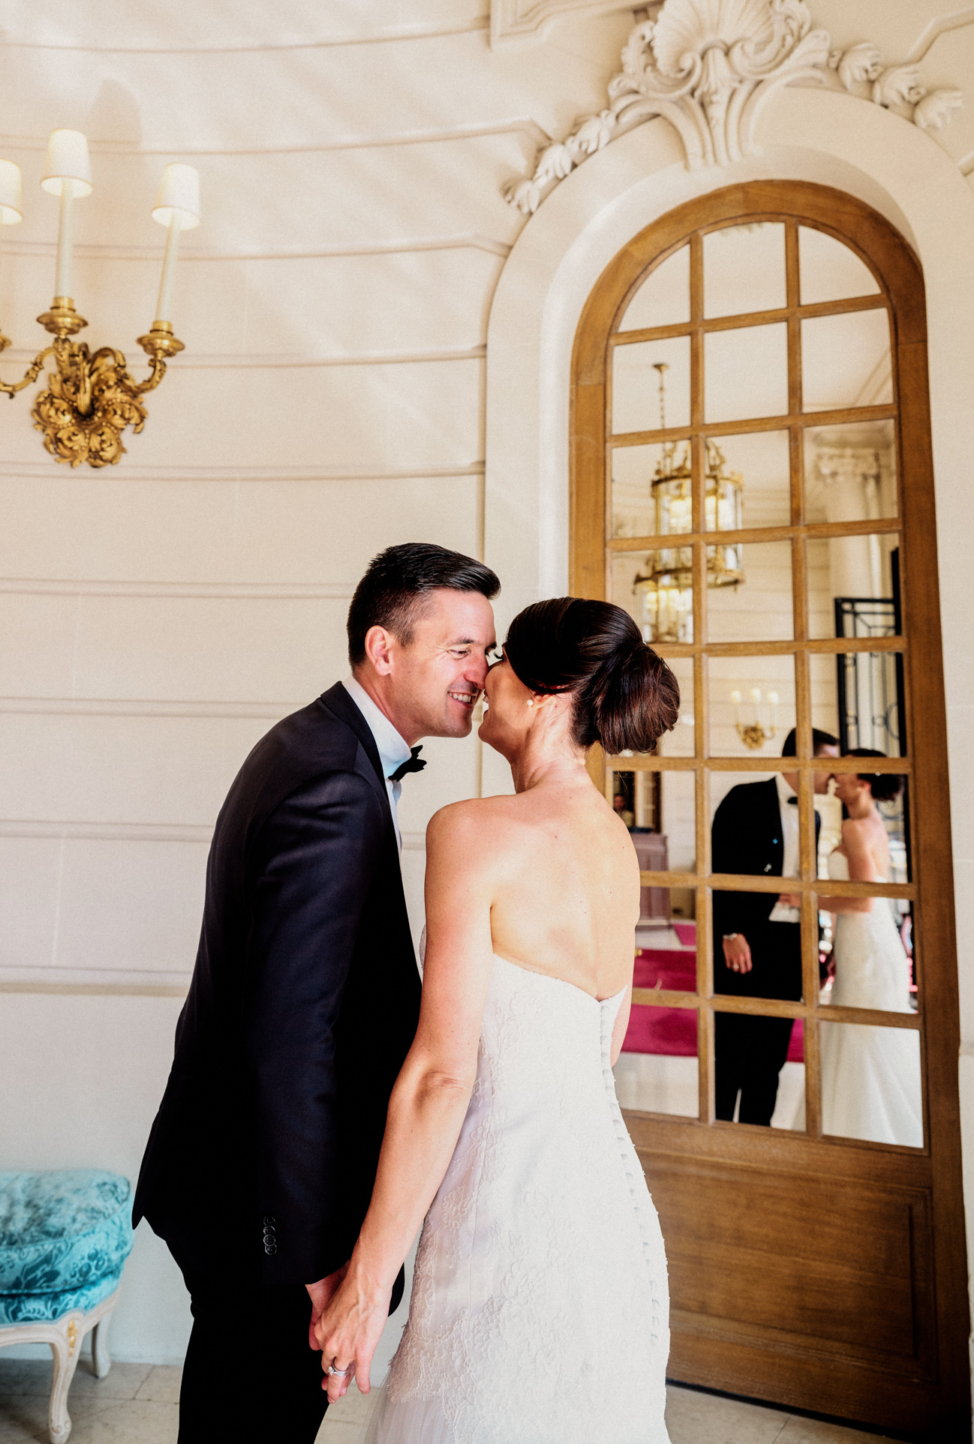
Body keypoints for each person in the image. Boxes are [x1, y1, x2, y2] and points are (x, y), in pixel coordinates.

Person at [130, 542, 498, 1443]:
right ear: (385, 649)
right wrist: (311, 1256)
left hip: (238, 1184)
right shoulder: (333, 783)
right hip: (264, 1218)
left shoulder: (319, 747)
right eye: (460, 650)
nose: (481, 675)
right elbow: (288, 1039)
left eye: (484, 653)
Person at [314, 597, 680, 1443]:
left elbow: (443, 1075)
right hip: (607, 1217)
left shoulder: (474, 831)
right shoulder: (614, 843)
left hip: (505, 1222)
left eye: (503, 658)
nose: (484, 677)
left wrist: (368, 1282)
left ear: (549, 692)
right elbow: (600, 1050)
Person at [711, 727, 841, 1126]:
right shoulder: (744, 799)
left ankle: (757, 1134)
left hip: (791, 945)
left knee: (772, 1053)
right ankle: (717, 1134)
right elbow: (717, 868)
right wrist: (729, 933)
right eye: (829, 765)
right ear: (801, 758)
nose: (834, 776)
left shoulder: (816, 817)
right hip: (746, 942)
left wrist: (816, 950)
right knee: (733, 1048)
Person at [796, 752, 922, 1145]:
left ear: (864, 782)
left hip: (868, 946)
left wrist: (804, 899)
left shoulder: (854, 827)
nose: (836, 773)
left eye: (846, 767)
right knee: (864, 1033)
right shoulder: (872, 824)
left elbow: (863, 901)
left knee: (863, 1035)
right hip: (868, 944)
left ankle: (863, 1135)